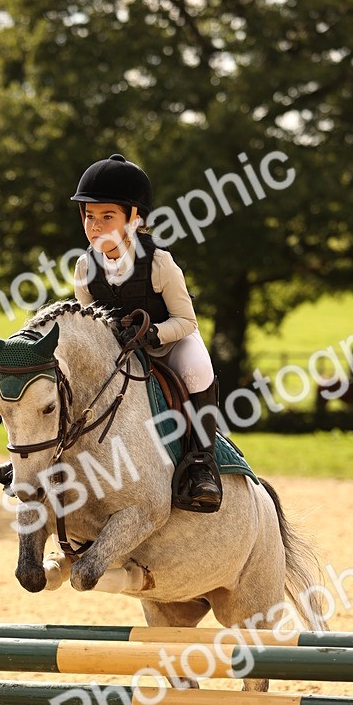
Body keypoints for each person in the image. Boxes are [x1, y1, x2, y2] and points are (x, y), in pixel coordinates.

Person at [70, 153, 223, 510]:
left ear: (135, 218)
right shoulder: (84, 266)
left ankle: (201, 465)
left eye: (108, 216)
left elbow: (187, 321)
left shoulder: (159, 262)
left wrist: (152, 334)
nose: (95, 226)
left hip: (170, 342)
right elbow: (88, 325)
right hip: (120, 349)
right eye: (90, 216)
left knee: (199, 370)